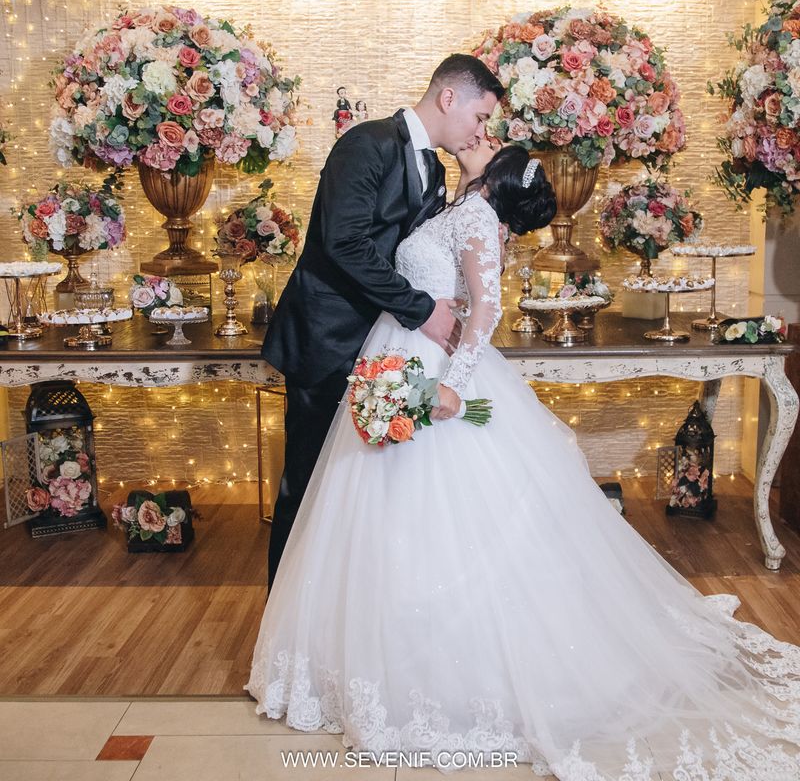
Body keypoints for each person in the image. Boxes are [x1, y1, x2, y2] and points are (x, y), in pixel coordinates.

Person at [248, 141, 800, 779]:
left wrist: (454, 385)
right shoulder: (463, 204)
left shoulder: (478, 217)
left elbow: (488, 308)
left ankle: (439, 672)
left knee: (435, 509)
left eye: (489, 139)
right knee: (377, 501)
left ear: (498, 175)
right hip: (401, 348)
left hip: (435, 365)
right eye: (483, 126)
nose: (480, 138)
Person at [261, 55, 504, 591]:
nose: (479, 131)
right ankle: (284, 611)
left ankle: (344, 605)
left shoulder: (434, 169)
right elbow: (344, 243)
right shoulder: (365, 143)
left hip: (381, 348)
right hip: (326, 342)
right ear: (448, 98)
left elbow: (420, 252)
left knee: (357, 491)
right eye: (480, 117)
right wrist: (422, 310)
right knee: (307, 484)